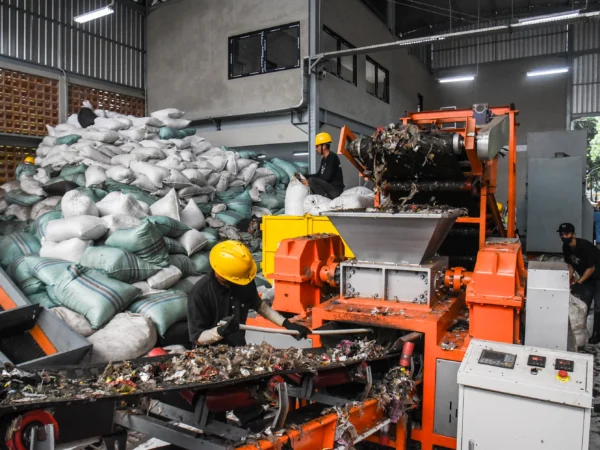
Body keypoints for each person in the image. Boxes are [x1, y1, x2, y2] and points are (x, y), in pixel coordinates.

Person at [187, 240, 312, 347]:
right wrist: (220, 332)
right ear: (220, 273)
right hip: (210, 356)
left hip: (238, 348)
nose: (239, 282)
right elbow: (197, 338)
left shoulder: (243, 279)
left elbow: (258, 305)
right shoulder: (199, 294)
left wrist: (287, 324)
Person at [558, 222, 600, 343]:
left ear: (573, 234)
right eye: (561, 234)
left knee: (598, 306)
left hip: (597, 276)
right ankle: (581, 333)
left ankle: (597, 335)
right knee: (583, 304)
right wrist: (568, 279)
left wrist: (579, 281)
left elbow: (591, 268)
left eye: (566, 234)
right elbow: (571, 264)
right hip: (587, 278)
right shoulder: (566, 248)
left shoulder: (585, 247)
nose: (564, 237)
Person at [303, 132, 344, 199]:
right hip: (329, 188)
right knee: (311, 180)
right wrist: (306, 176)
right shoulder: (324, 159)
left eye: (317, 146)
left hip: (335, 190)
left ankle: (326, 199)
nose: (316, 149)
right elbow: (319, 174)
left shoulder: (332, 157)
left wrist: (309, 181)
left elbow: (327, 177)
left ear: (324, 146)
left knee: (312, 181)